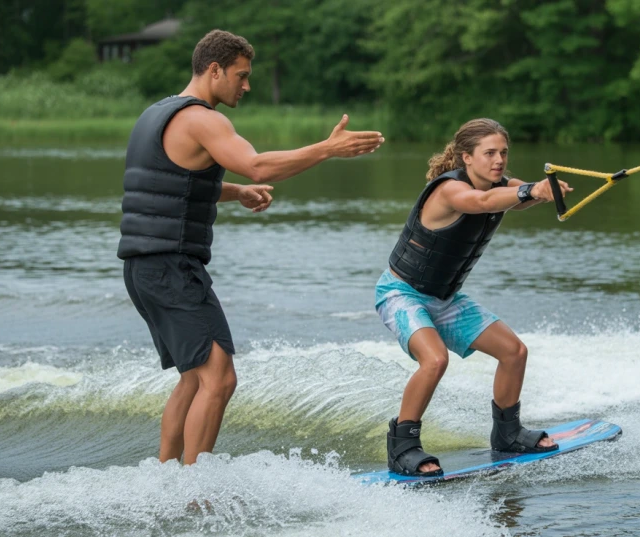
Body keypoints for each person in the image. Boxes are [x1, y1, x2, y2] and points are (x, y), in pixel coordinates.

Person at [118, 29, 384, 465]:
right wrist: (328, 149)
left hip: (144, 269)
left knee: (193, 378)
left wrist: (234, 192)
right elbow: (259, 164)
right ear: (215, 69)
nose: (247, 85)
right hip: (172, 268)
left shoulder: (158, 114)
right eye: (241, 75)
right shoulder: (204, 119)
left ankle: (165, 478)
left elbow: (169, 186)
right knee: (220, 379)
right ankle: (194, 491)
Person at [375, 118, 572, 476]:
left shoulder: (501, 185)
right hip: (402, 294)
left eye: (504, 153)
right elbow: (481, 202)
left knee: (514, 352)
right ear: (467, 157)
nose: (498, 160)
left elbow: (512, 197)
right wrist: (529, 191)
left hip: (446, 299)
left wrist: (541, 190)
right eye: (489, 153)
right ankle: (402, 446)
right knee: (434, 361)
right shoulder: (450, 191)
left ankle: (508, 433)